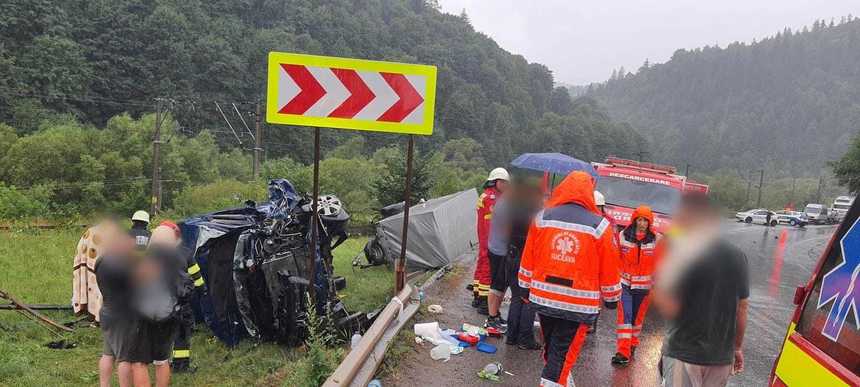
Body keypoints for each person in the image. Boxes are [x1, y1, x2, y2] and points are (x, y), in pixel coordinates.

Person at [518, 171, 621, 386]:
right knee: (562, 356)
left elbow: (529, 257)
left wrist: (524, 288)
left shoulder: (542, 218)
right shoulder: (600, 226)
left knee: (553, 350)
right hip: (578, 305)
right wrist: (612, 298)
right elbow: (610, 268)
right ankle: (554, 382)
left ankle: (559, 381)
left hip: (544, 300)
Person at [653, 193, 749, 387]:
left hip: (684, 352)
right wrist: (737, 347)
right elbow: (742, 308)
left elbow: (665, 301)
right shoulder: (738, 256)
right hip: (720, 357)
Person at [131, 224, 189, 387]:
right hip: (170, 315)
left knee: (139, 362)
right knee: (161, 360)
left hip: (147, 316)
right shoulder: (178, 258)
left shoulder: (148, 257)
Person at [612, 205, 664, 366]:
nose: (642, 223)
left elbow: (662, 263)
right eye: (639, 220)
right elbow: (615, 258)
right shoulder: (623, 236)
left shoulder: (657, 239)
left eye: (645, 221)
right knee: (625, 317)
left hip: (645, 288)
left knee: (636, 319)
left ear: (650, 223)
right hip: (625, 284)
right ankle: (623, 352)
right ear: (634, 220)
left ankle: (632, 344)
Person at [94, 219, 139, 387]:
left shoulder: (101, 260)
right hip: (123, 316)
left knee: (108, 354)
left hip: (106, 310)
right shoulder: (123, 265)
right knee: (125, 359)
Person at [499, 178, 543, 350]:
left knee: (516, 297)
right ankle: (525, 338)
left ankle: (511, 335)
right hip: (527, 261)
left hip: (511, 256)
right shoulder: (538, 217)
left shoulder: (515, 211)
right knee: (529, 299)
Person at [473, 167, 510, 316]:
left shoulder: (486, 195)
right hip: (489, 237)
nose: (507, 185)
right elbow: (493, 221)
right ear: (496, 182)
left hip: (485, 236)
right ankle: (483, 301)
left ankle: (478, 295)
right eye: (504, 182)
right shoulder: (492, 198)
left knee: (482, 263)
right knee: (488, 267)